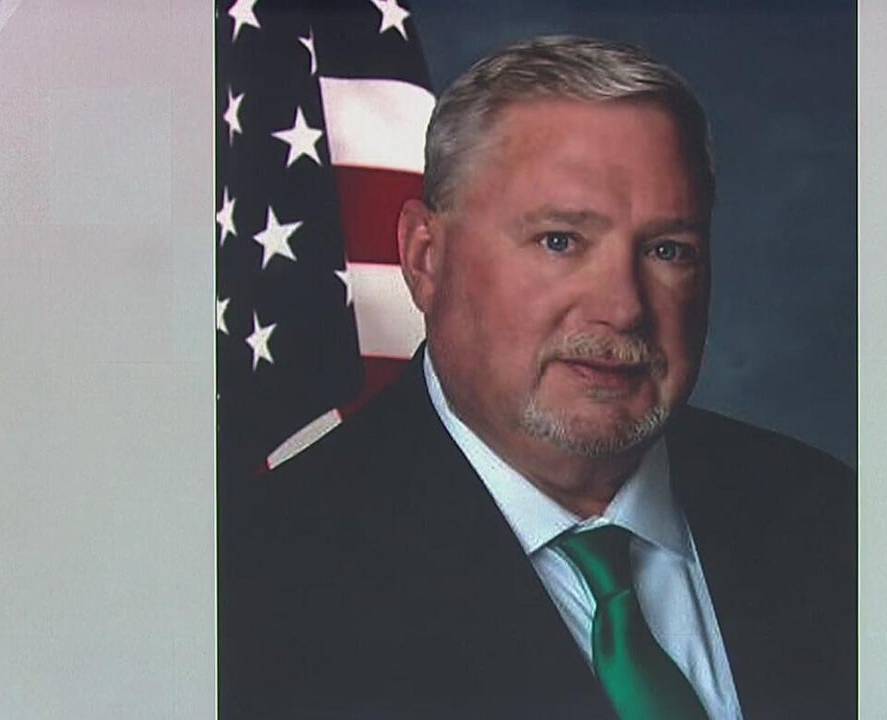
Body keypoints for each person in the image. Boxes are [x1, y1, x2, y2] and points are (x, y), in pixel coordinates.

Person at [221, 35, 854, 720]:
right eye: (560, 241)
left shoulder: (831, 519)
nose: (623, 306)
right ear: (425, 258)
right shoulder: (257, 586)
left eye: (667, 250)